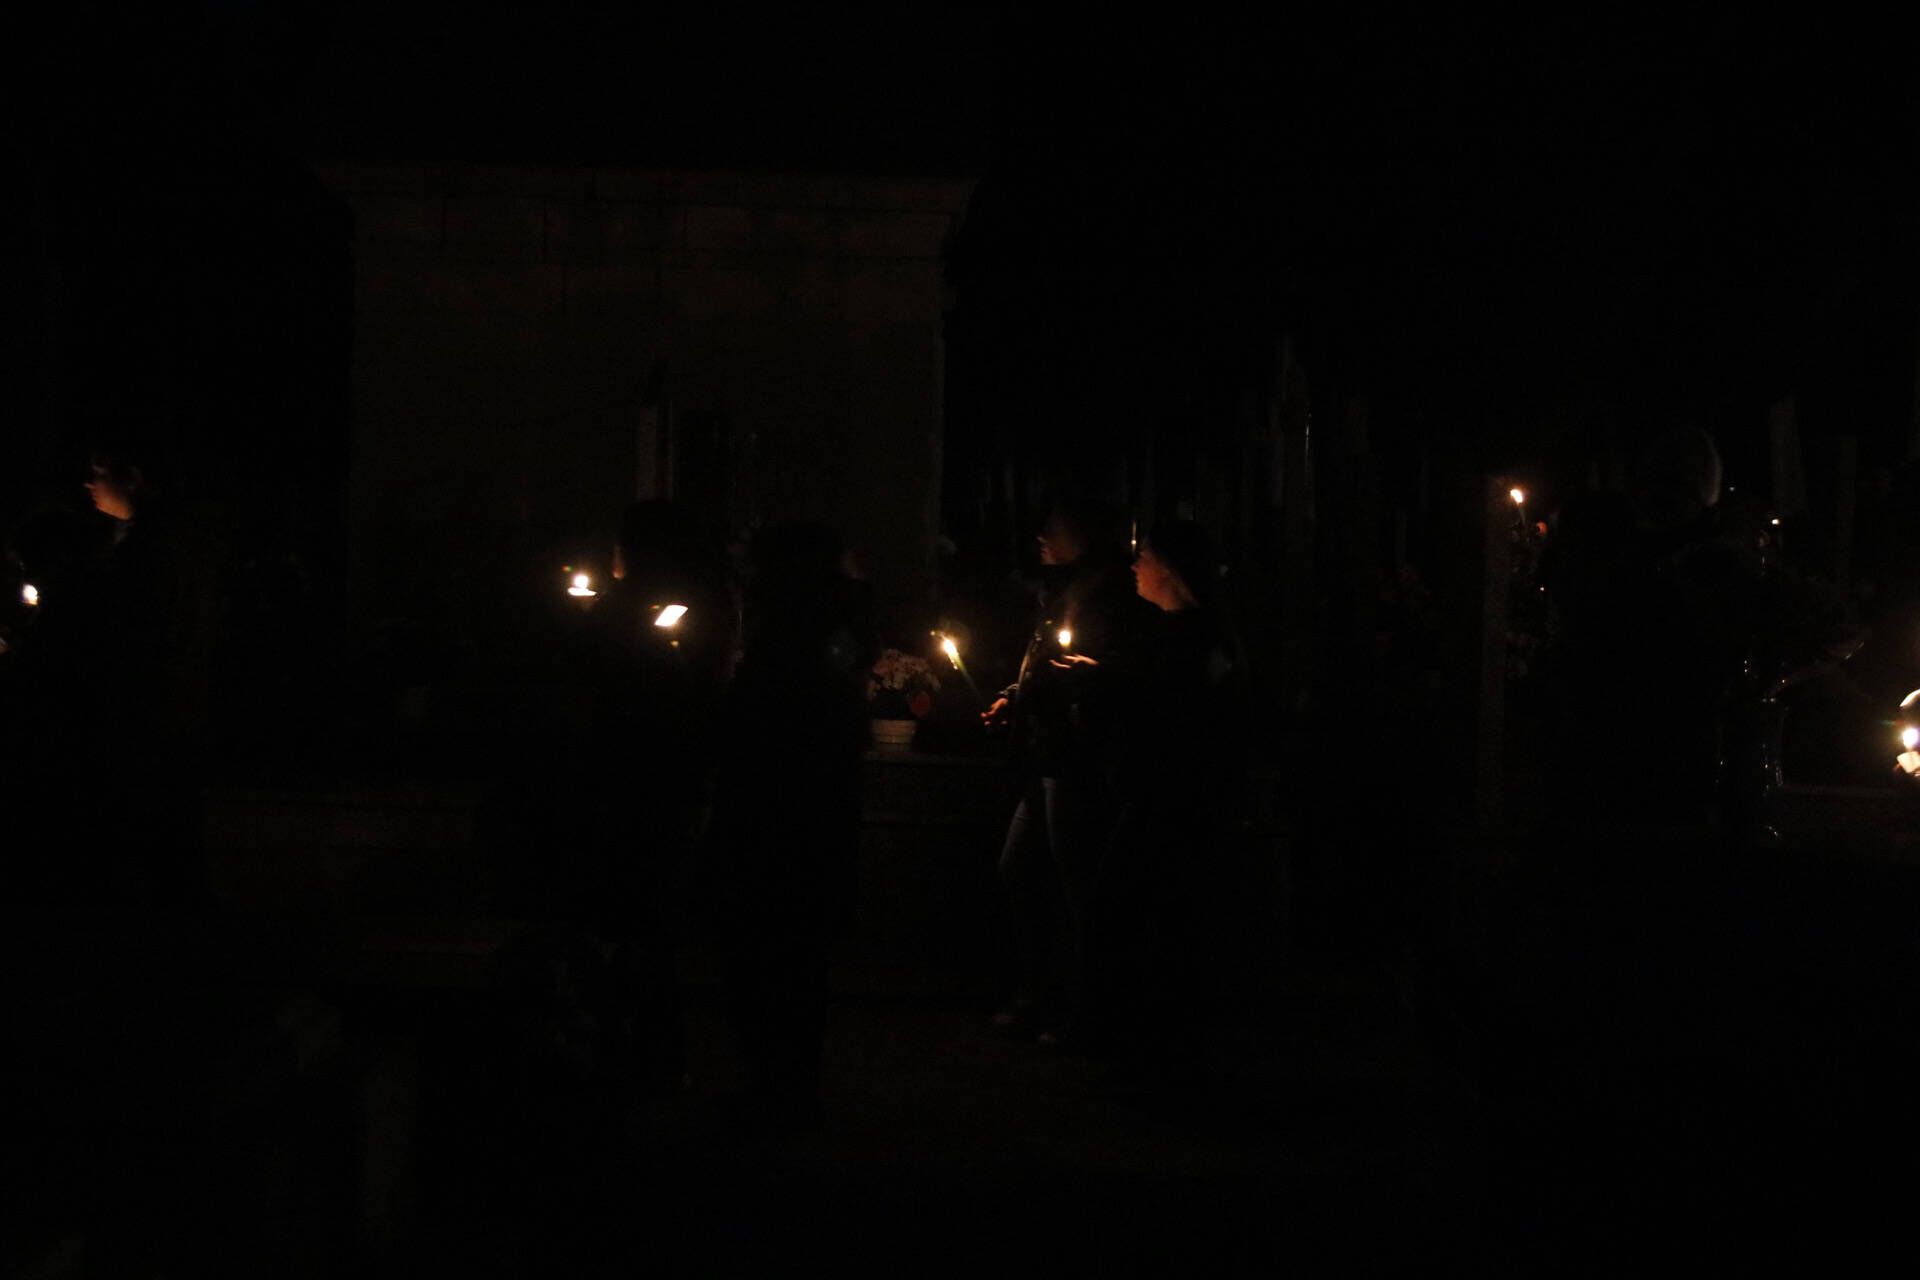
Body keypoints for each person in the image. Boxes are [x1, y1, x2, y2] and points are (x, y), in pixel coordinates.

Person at [1061, 520, 1247, 1078]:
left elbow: (1172, 710)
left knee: (1131, 913)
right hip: (1166, 796)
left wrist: (1101, 685)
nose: (1135, 566)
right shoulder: (1190, 633)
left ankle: (1138, 1043)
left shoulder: (1189, 636)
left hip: (1170, 800)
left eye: (1143, 556)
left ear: (1168, 567)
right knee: (1151, 915)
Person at [712, 521, 872, 1125]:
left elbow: (767, 722)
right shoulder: (832, 628)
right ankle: (787, 1082)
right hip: (813, 813)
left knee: (769, 953)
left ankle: (776, 1086)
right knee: (796, 959)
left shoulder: (794, 638)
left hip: (777, 815)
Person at [983, 496, 1155, 1050]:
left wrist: (1073, 689)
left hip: (1076, 759)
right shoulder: (1070, 589)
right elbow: (1052, 666)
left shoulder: (1110, 594)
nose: (1041, 535)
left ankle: (1087, 1010)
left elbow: (1107, 671)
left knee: (1077, 887)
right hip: (1049, 754)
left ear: (1083, 532)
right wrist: (1019, 696)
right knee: (1024, 872)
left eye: (1054, 526)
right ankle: (1047, 996)